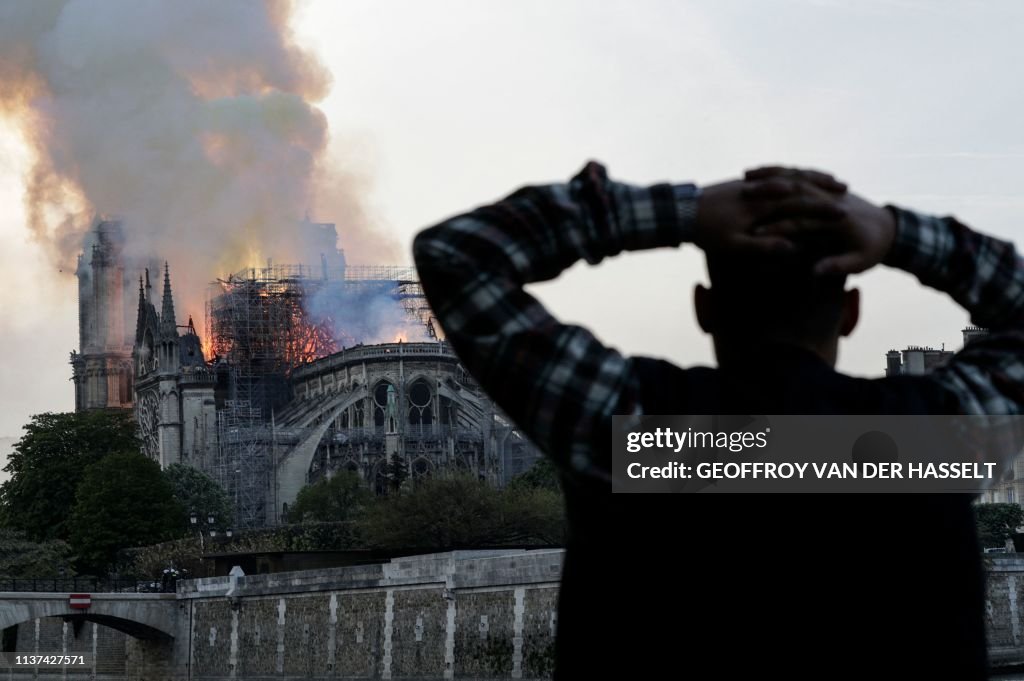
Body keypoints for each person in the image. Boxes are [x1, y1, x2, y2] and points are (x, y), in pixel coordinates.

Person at [412, 162, 1024, 678]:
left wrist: (684, 212)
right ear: (851, 313)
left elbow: (458, 253)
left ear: (703, 308)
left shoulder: (630, 425)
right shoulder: (933, 438)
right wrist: (895, 233)